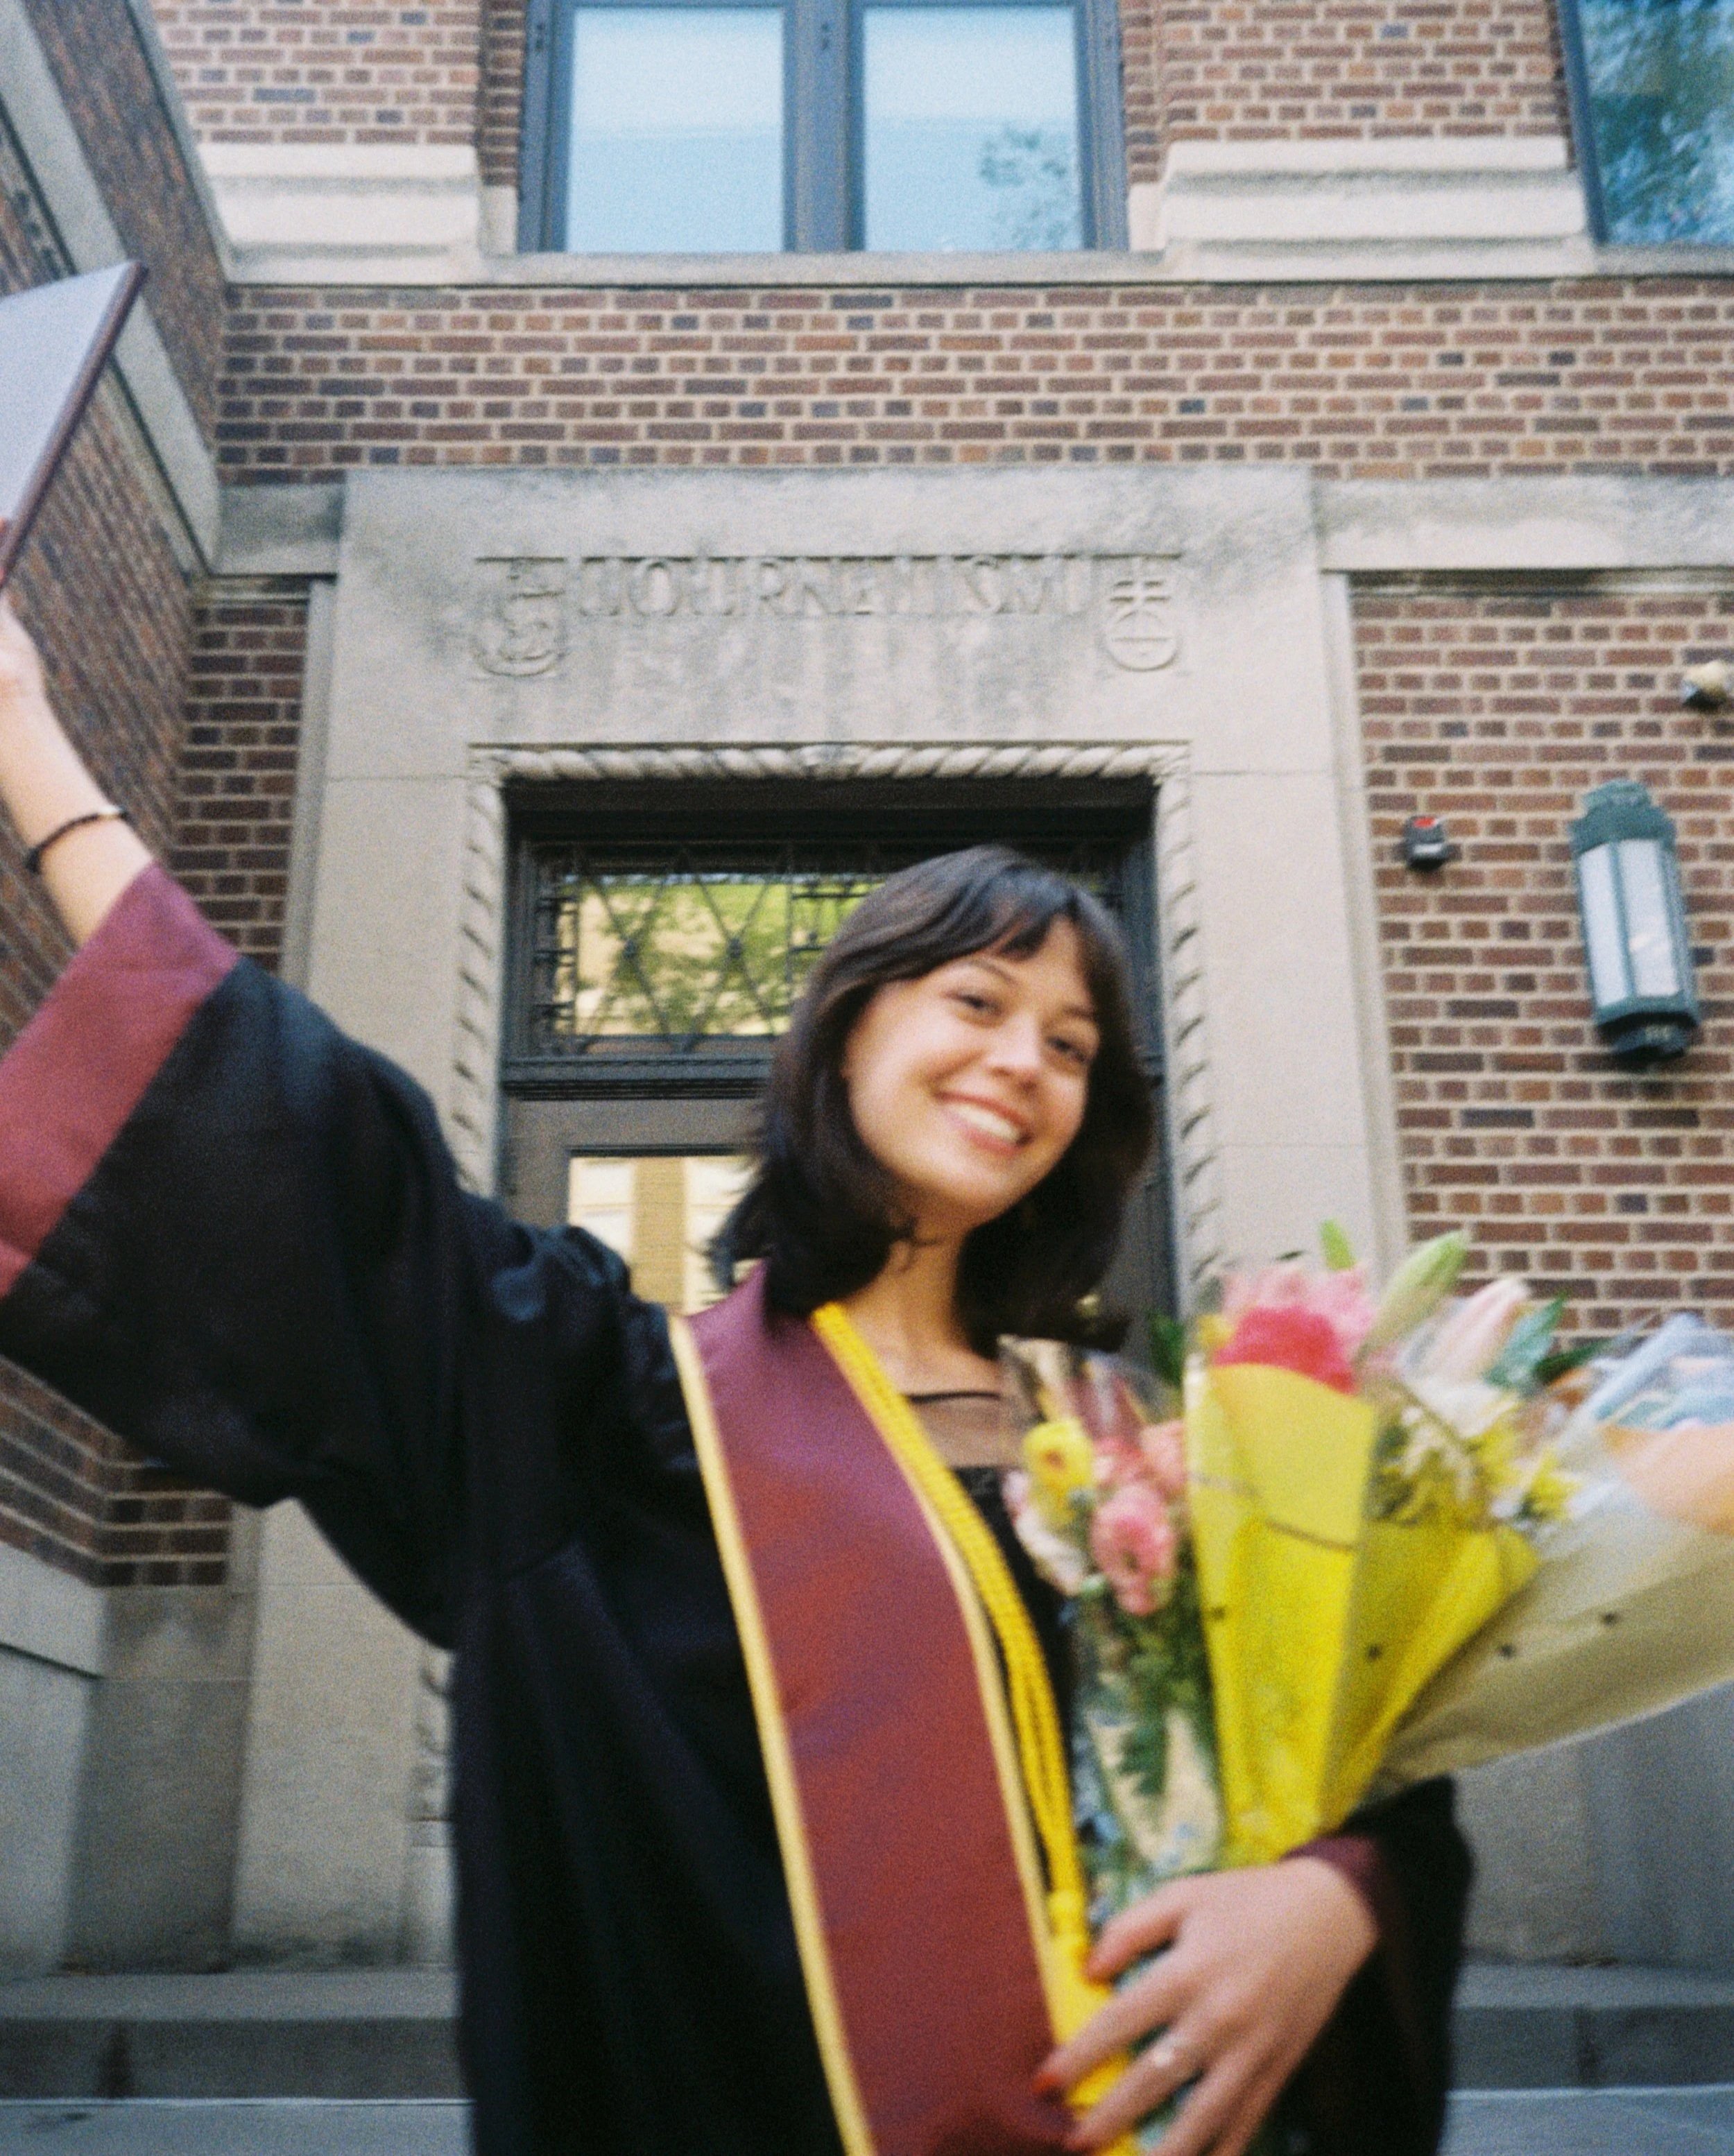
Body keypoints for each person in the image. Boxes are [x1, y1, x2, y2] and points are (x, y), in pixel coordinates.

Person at [0, 593, 1468, 2156]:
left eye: (1069, 1043)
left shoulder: (1145, 1455)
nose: (1021, 1062)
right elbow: (328, 1168)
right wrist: (27, 744)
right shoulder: (608, 1417)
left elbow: (1355, 1750)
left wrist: (1339, 1894)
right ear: (845, 1035)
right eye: (975, 1002)